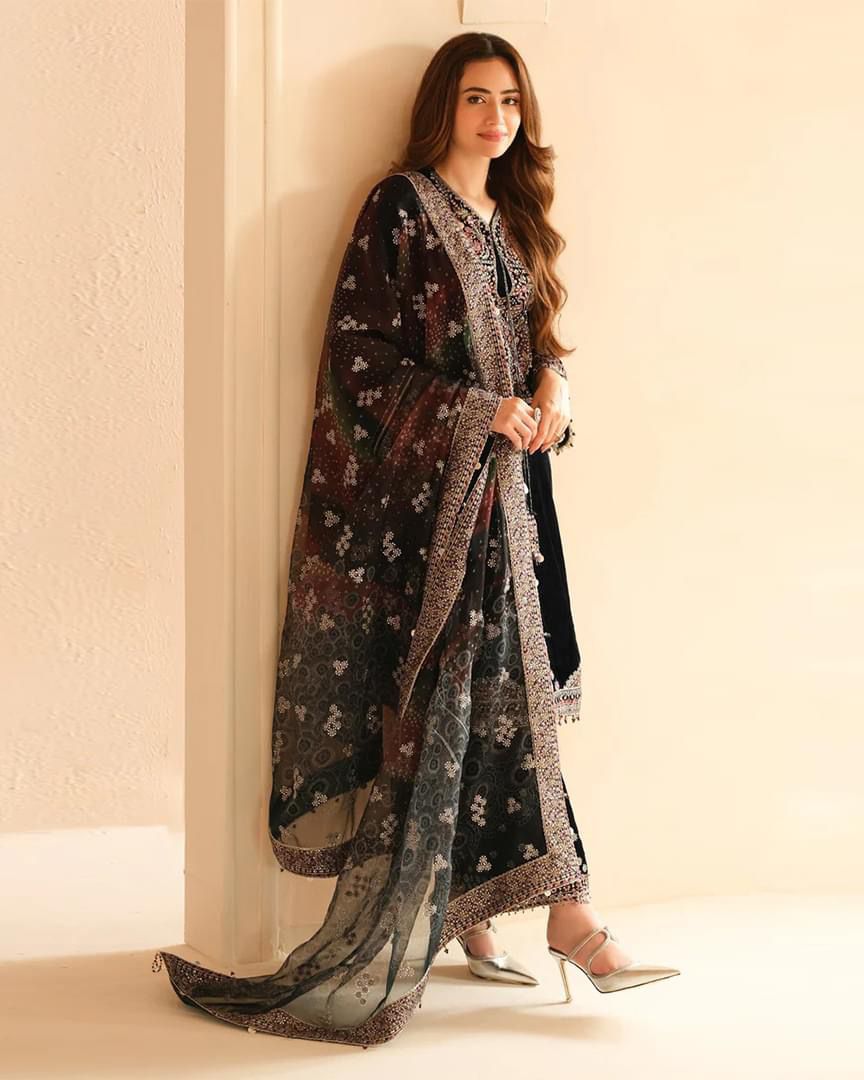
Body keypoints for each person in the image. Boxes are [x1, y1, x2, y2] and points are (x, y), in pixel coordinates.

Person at [153, 30, 679, 1047]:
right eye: (477, 98)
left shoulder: (512, 222)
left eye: (511, 102)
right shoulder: (399, 206)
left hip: (513, 512)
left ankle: (472, 917)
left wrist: (555, 388)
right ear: (443, 104)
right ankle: (571, 920)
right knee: (470, 711)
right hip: (436, 522)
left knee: (501, 709)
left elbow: (539, 344)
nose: (496, 118)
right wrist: (478, 411)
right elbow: (357, 356)